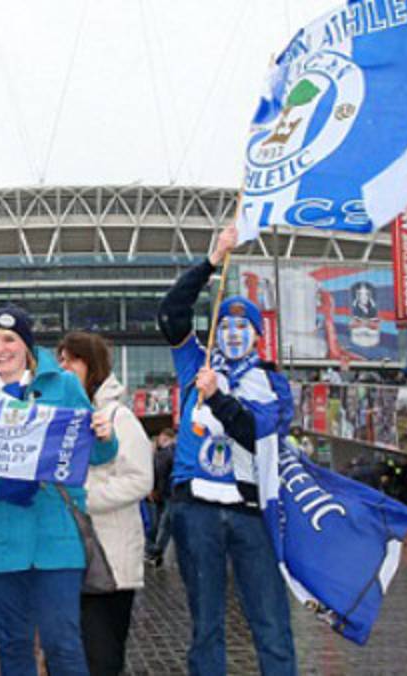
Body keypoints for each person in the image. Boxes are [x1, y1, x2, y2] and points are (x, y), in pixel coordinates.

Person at [0, 309, 118, 676]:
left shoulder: (63, 385)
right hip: (0, 539)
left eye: (9, 339)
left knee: (62, 643)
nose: (1, 349)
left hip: (56, 536)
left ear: (26, 344)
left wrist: (104, 434)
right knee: (12, 646)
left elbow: (97, 455)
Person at [157, 223, 296, 675]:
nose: (234, 333)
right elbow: (171, 313)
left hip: (251, 513)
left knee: (270, 622)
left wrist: (217, 397)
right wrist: (212, 261)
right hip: (195, 509)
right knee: (206, 626)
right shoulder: (196, 362)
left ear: (257, 336)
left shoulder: (272, 382)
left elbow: (257, 432)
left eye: (244, 327)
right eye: (228, 326)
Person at [56, 330, 153, 676]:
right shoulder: (60, 415)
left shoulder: (118, 417)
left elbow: (141, 478)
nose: (64, 367)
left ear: (91, 364)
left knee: (102, 655)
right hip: (66, 554)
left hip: (109, 557)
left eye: (72, 359)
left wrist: (83, 499)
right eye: (60, 360)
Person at [143, 428, 176, 567]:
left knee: (160, 523)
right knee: (163, 524)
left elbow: (159, 472)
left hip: (162, 493)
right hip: (169, 493)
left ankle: (154, 551)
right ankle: (155, 551)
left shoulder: (163, 453)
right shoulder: (171, 452)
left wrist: (153, 489)